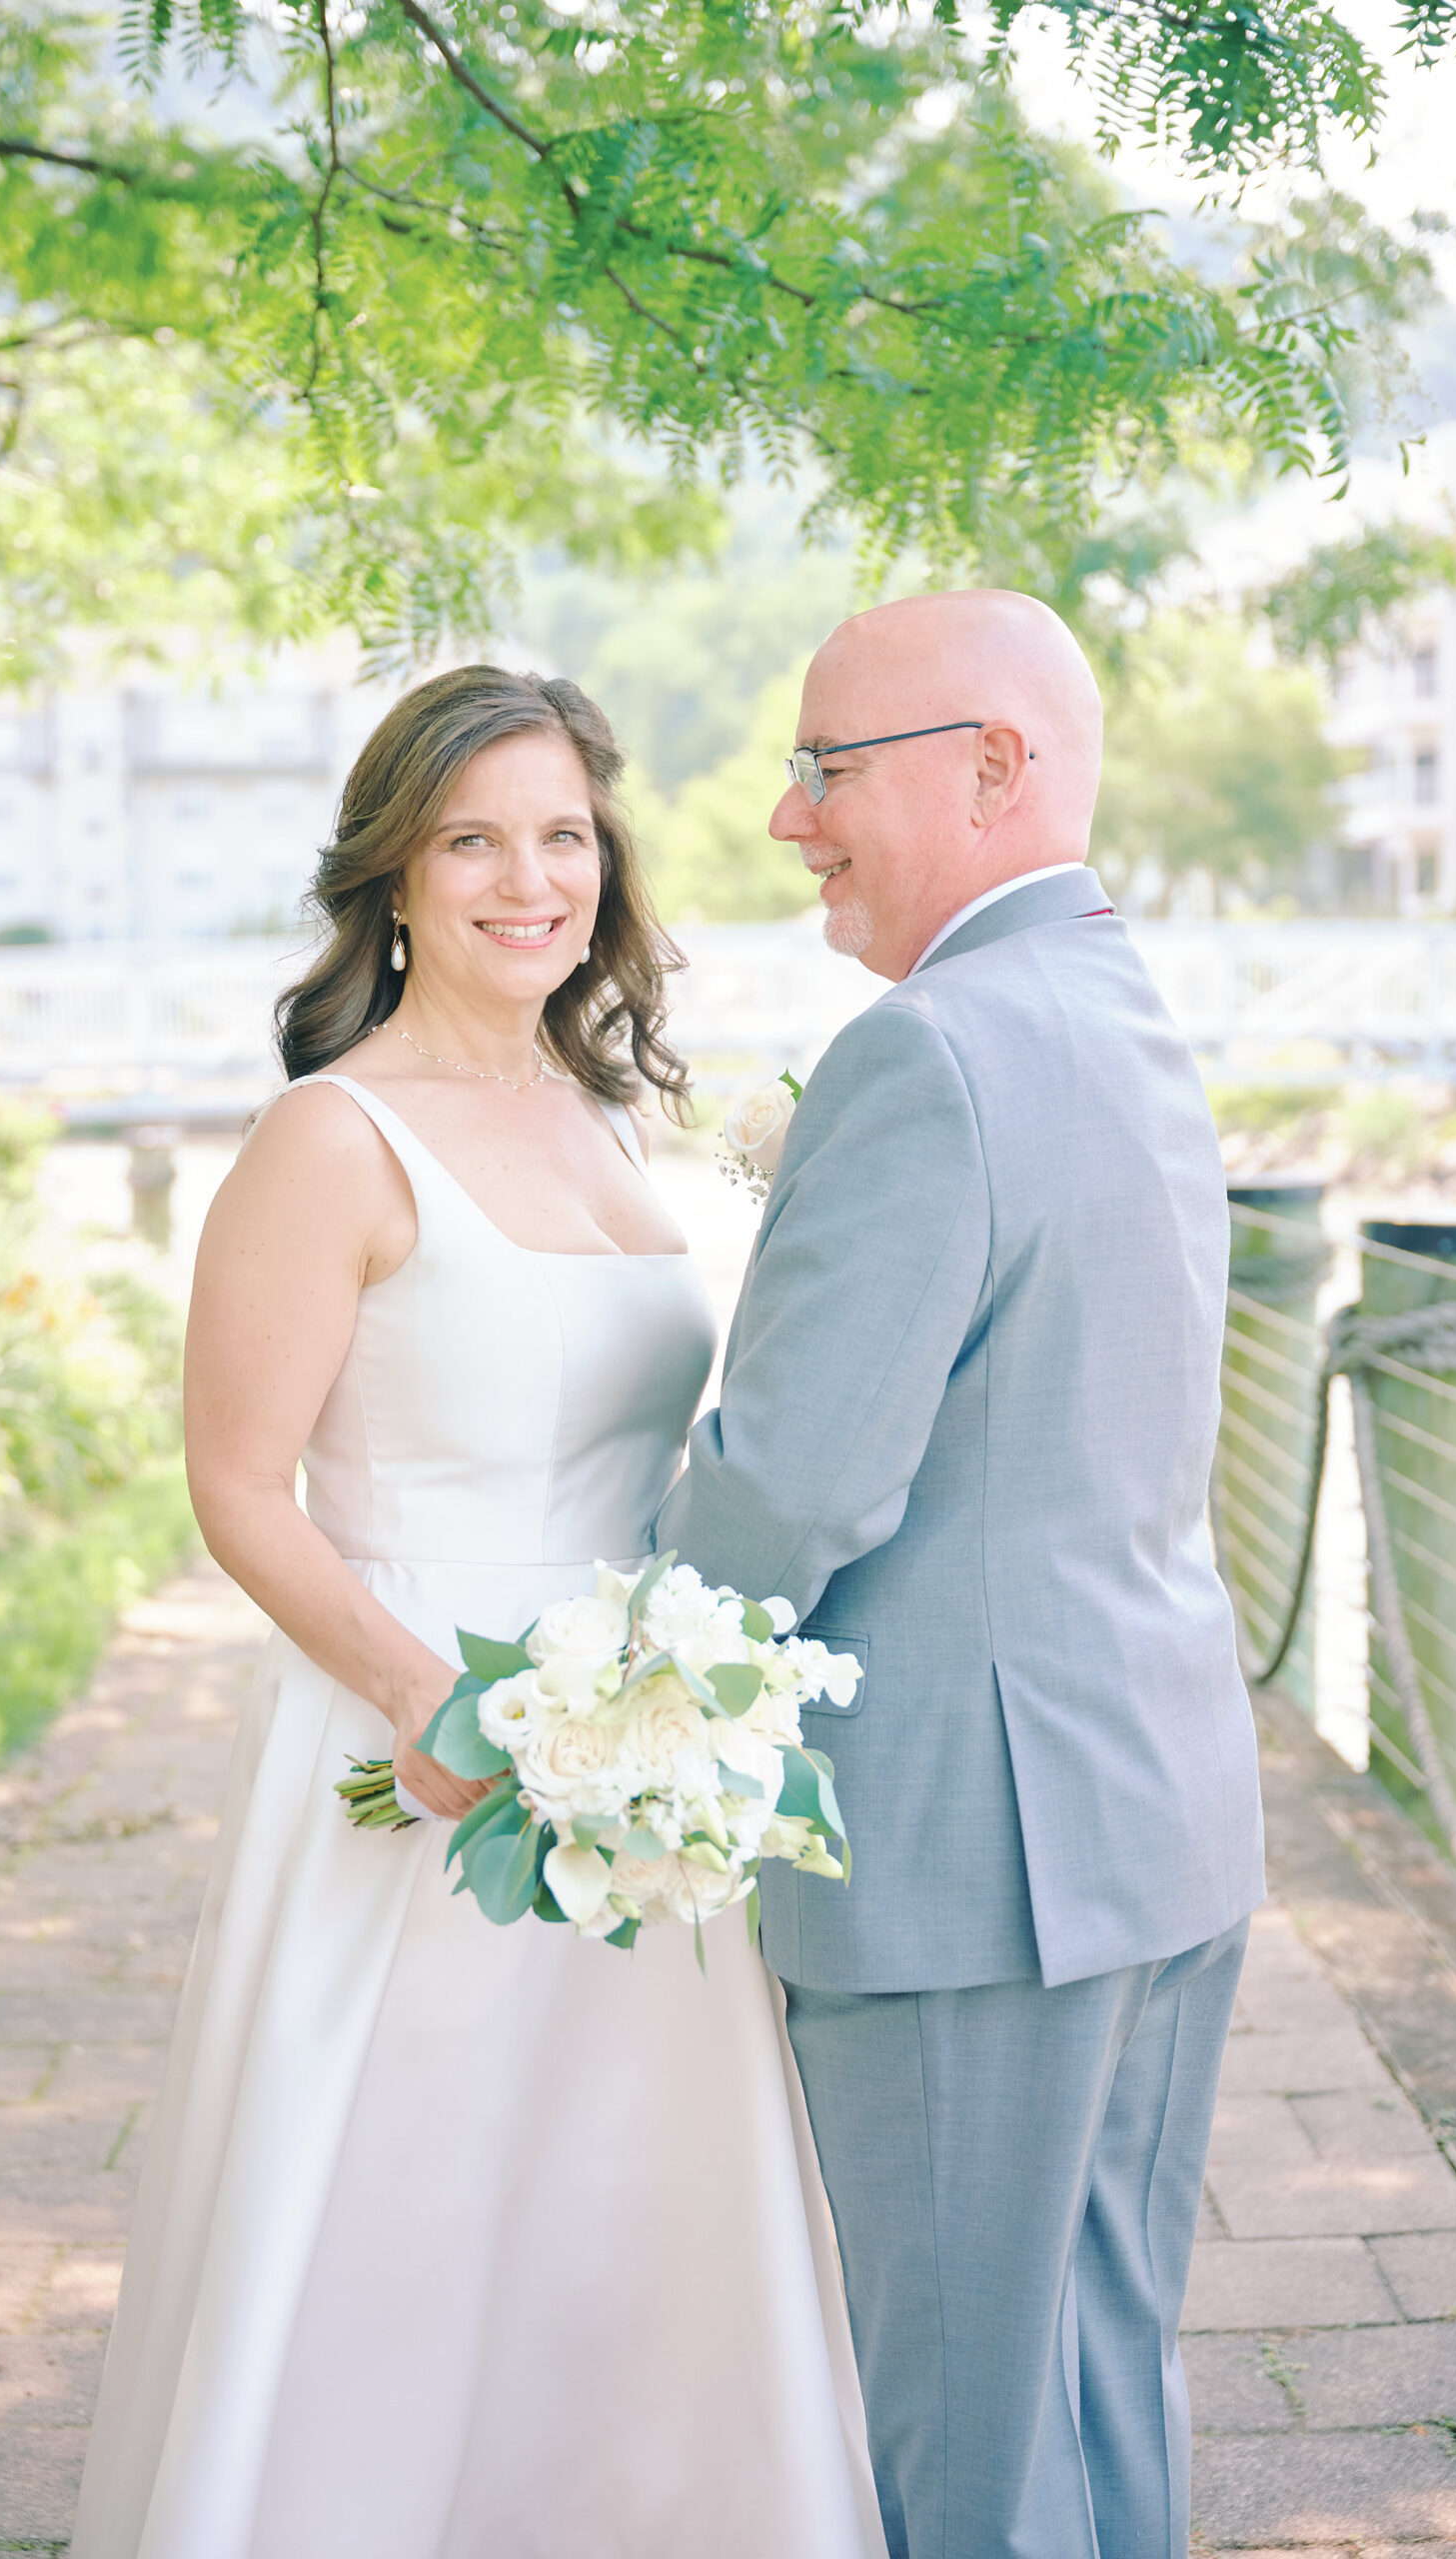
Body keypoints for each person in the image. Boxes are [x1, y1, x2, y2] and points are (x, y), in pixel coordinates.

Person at [67, 666, 885, 2559]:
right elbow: (236, 1488)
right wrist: (441, 1716)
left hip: (641, 1770)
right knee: (397, 2207)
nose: (531, 880)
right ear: (397, 878)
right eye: (474, 840)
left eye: (564, 836)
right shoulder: (331, 1141)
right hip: (412, 1753)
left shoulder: (602, 1115)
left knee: (623, 2224)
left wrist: (673, 1713)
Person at [657, 590, 1265, 2559]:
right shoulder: (1117, 1008)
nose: (784, 815)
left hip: (965, 1864)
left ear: (995, 765)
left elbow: (790, 1491)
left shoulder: (926, 1055)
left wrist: (602, 1683)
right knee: (1096, 2399)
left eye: (827, 766)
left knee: (966, 2459)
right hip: (1148, 1818)